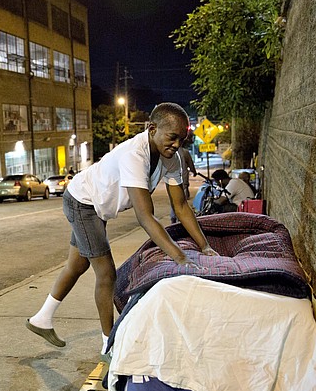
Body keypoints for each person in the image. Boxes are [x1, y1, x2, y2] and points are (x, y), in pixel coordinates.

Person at [26, 102, 219, 352]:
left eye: (181, 140)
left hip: (97, 205)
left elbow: (181, 206)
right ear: (152, 129)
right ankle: (109, 345)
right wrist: (179, 257)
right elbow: (145, 216)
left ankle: (42, 319)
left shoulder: (171, 158)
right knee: (107, 274)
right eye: (172, 137)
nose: (176, 145)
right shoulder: (134, 154)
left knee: (77, 264)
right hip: (83, 202)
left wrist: (205, 247)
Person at [170, 142, 197, 223]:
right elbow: (190, 164)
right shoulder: (185, 152)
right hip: (182, 179)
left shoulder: (170, 152)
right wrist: (194, 172)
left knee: (173, 198)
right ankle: (178, 218)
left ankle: (173, 216)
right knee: (181, 200)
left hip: (172, 180)